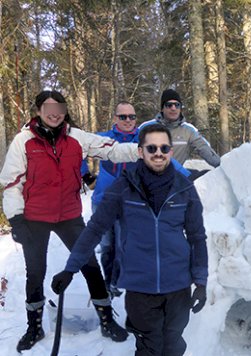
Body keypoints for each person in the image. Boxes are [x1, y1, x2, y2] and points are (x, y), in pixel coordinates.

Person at [51, 124, 209, 355]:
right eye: (151, 147)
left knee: (173, 343)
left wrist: (201, 281)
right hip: (140, 286)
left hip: (178, 285)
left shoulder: (184, 188)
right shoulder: (124, 187)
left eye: (164, 147)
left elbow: (197, 237)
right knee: (150, 345)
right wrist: (70, 269)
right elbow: (95, 229)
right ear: (140, 151)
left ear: (171, 152)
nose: (158, 152)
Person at [0, 90, 136, 352]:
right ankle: (34, 326)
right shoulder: (23, 140)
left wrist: (143, 150)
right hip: (34, 218)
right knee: (35, 273)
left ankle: (106, 320)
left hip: (69, 215)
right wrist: (16, 220)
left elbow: (113, 150)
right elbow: (12, 182)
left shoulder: (77, 137)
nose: (54, 112)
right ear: (38, 110)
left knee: (90, 266)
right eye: (48, 107)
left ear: (65, 110)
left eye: (59, 107)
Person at [91, 101, 140, 298]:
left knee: (123, 244)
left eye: (131, 116)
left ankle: (116, 282)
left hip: (129, 202)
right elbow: (77, 151)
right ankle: (107, 281)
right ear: (115, 118)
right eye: (123, 117)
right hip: (102, 201)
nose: (128, 120)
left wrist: (187, 176)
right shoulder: (103, 138)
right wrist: (85, 175)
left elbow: (163, 158)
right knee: (107, 245)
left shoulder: (143, 139)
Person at [140, 88, 220, 177]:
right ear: (162, 108)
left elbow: (204, 148)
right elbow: (131, 151)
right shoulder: (146, 127)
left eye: (177, 105)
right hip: (148, 177)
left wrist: (222, 166)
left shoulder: (188, 130)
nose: (173, 108)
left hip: (175, 177)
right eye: (169, 105)